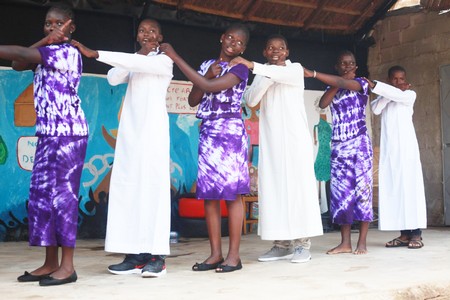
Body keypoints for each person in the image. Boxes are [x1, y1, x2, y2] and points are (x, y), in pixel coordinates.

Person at [72, 19, 173, 277]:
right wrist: (134, 55)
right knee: (127, 188)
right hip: (130, 135)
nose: (147, 34)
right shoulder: (134, 60)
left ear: (160, 36)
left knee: (152, 190)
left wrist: (97, 54)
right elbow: (114, 77)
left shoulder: (163, 61)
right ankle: (134, 254)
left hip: (153, 135)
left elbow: (140, 64)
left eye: (152, 31)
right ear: (137, 36)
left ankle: (156, 256)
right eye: (142, 30)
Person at [0, 4, 88, 286]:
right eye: (48, 23)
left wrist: (47, 43)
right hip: (48, 134)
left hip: (68, 134)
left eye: (59, 23)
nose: (52, 27)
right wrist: (46, 39)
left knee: (64, 200)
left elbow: (21, 55)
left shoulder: (67, 53)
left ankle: (67, 266)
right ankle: (50, 262)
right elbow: (18, 64)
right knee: (44, 199)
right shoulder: (47, 50)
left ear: (71, 27)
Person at [160, 24, 250, 273]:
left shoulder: (241, 68)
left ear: (244, 48)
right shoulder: (206, 64)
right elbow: (193, 99)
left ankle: (234, 256)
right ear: (222, 38)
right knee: (210, 196)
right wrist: (207, 74)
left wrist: (176, 57)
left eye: (240, 42)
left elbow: (210, 88)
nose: (234, 43)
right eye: (230, 37)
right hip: (209, 132)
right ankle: (215, 254)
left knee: (232, 196)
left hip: (230, 133)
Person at [229, 34, 323, 263]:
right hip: (272, 143)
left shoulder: (295, 69)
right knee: (274, 189)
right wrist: (264, 75)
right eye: (270, 48)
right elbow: (250, 100)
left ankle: (302, 244)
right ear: (264, 52)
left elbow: (282, 74)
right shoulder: (263, 73)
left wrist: (255, 67)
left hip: (295, 141)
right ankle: (281, 245)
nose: (275, 51)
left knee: (298, 189)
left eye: (280, 48)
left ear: (287, 52)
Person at [304, 50, 373, 255]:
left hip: (359, 144)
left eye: (351, 63)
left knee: (362, 193)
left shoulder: (362, 83)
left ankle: (362, 242)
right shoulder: (332, 86)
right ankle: (345, 243)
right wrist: (337, 81)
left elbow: (346, 84)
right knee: (341, 195)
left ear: (356, 66)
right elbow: (324, 104)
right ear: (337, 67)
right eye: (343, 64)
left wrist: (315, 74)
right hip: (339, 146)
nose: (348, 66)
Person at [367, 66, 427, 249]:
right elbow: (375, 109)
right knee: (397, 191)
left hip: (407, 152)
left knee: (410, 190)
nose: (399, 82)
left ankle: (416, 234)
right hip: (390, 153)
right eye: (394, 79)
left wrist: (387, 89)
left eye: (402, 79)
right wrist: (388, 92)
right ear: (389, 80)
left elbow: (399, 95)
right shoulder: (386, 98)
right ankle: (403, 235)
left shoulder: (410, 95)